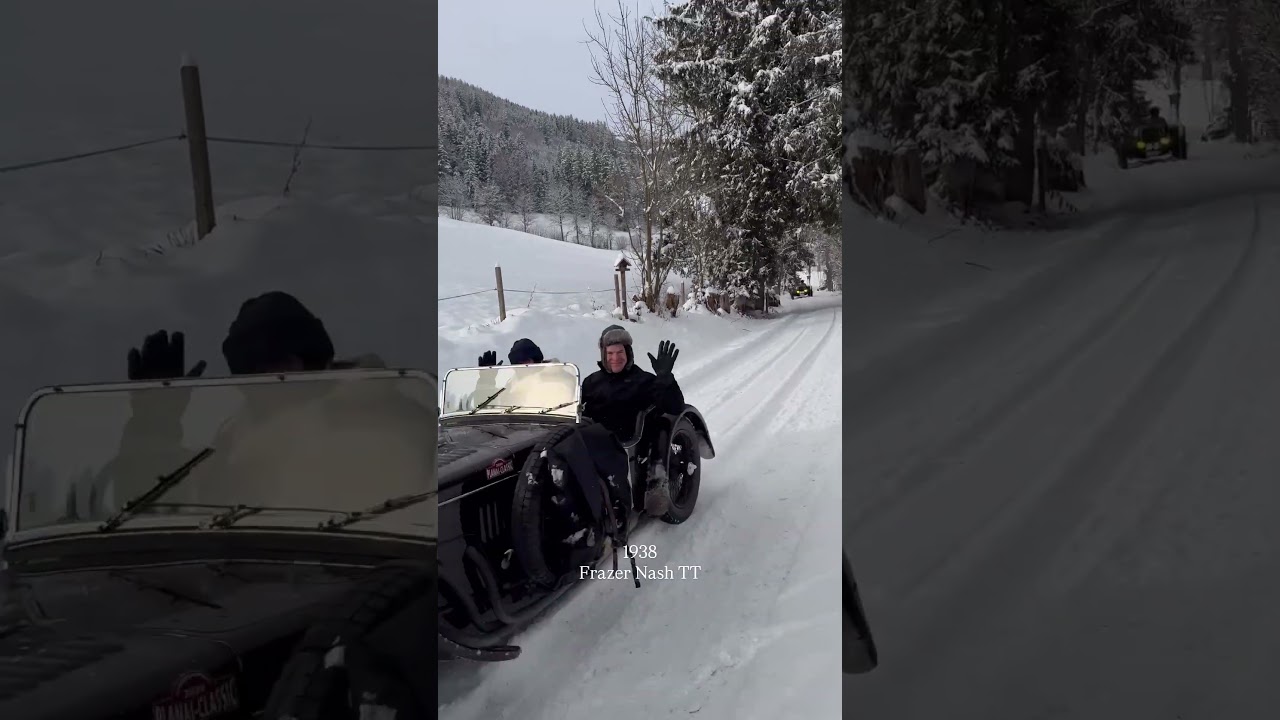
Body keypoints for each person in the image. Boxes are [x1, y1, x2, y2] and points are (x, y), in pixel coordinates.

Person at [94, 291, 426, 516]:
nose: (265, 380)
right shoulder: (241, 434)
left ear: (310, 360)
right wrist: (154, 425)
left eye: (277, 363)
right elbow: (156, 512)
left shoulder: (381, 423)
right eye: (250, 369)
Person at [580, 325, 684, 516]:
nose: (615, 358)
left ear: (628, 352)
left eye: (620, 351)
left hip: (628, 442)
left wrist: (665, 378)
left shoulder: (643, 380)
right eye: (610, 352)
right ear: (603, 354)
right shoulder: (590, 382)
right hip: (593, 440)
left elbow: (674, 407)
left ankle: (655, 483)